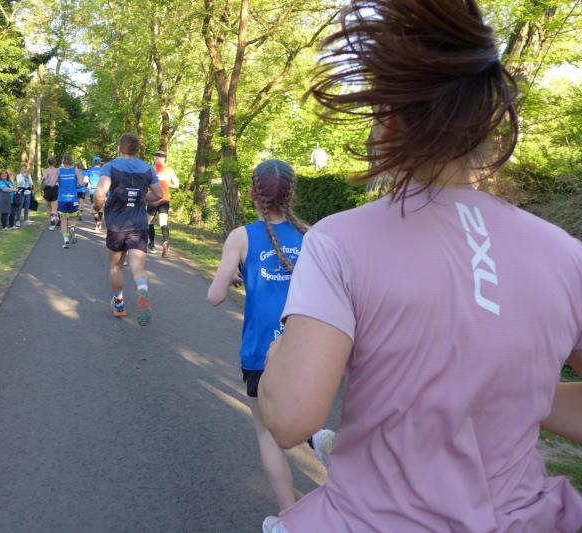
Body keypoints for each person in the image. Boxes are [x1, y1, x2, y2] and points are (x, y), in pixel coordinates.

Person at [257, 1, 582, 532]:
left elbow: (292, 418)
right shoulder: (566, 254)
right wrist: (505, 391)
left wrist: (275, 363)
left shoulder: (340, 240)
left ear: (389, 115)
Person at [207, 160, 307, 512]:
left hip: (260, 353)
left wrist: (233, 273)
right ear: (292, 194)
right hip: (307, 352)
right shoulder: (311, 237)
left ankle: (288, 515)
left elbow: (215, 296)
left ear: (252, 193)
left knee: (267, 433)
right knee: (306, 423)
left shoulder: (241, 237)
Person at [93, 133, 162, 326]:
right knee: (138, 267)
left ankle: (119, 304)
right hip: (139, 225)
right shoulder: (147, 168)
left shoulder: (110, 166)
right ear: (137, 150)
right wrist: (140, 197)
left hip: (117, 225)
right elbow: (158, 194)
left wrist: (97, 207)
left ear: (119, 148)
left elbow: (100, 193)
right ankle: (142, 290)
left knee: (116, 266)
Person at [147, 150, 179, 257]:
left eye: (155, 157)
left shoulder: (151, 168)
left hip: (153, 199)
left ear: (157, 158)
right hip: (165, 199)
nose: (154, 159)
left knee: (149, 222)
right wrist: (166, 183)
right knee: (163, 223)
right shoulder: (169, 170)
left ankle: (152, 245)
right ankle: (165, 243)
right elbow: (177, 185)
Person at [57, 153, 85, 249]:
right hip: (73, 198)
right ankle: (72, 228)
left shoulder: (59, 170)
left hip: (62, 198)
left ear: (63, 161)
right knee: (73, 217)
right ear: (71, 161)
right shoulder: (75, 170)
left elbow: (53, 182)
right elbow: (82, 183)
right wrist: (77, 185)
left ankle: (66, 240)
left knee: (63, 220)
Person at [41, 157, 60, 230]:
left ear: (48, 163)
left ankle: (51, 222)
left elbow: (44, 178)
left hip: (48, 189)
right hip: (55, 188)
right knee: (54, 207)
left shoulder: (46, 170)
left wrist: (41, 183)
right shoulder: (57, 170)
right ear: (54, 163)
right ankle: (55, 219)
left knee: (48, 207)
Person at [87, 156, 105, 232]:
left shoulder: (89, 170)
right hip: (102, 191)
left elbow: (85, 180)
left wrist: (88, 183)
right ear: (100, 163)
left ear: (93, 163)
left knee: (94, 208)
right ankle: (98, 224)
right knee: (100, 208)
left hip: (93, 191)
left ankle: (97, 223)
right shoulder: (104, 170)